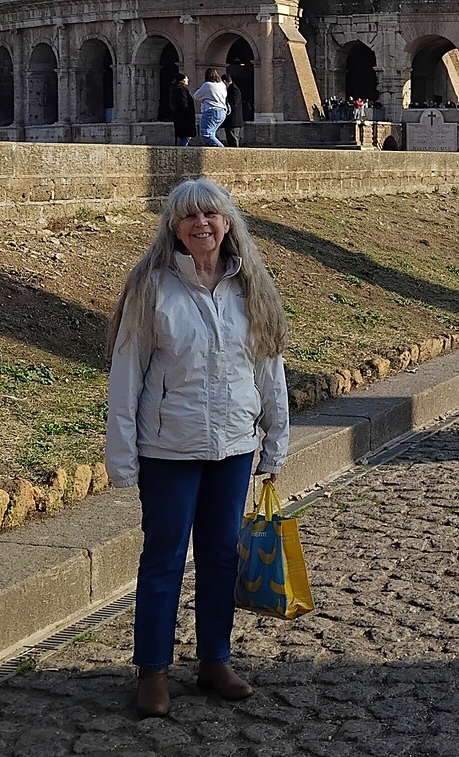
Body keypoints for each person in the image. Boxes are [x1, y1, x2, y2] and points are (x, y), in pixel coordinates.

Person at [105, 177, 290, 718]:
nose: (200, 224)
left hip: (233, 446)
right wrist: (123, 456)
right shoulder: (153, 288)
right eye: (188, 217)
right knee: (163, 559)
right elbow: (127, 373)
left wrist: (275, 440)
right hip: (169, 448)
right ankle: (153, 671)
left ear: (228, 223)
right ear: (174, 229)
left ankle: (214, 659)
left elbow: (268, 368)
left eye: (210, 214)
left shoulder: (250, 287)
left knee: (219, 556)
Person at [192, 69, 228, 147]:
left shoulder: (207, 85)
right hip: (222, 111)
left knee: (206, 134)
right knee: (212, 133)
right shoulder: (222, 85)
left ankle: (222, 150)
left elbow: (196, 96)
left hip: (211, 110)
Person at [168, 73, 196, 147]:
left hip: (180, 115)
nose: (188, 80)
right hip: (184, 116)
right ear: (181, 80)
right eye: (186, 78)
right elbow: (183, 103)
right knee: (185, 136)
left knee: (184, 136)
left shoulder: (175, 88)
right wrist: (189, 113)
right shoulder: (180, 89)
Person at [221, 73, 245, 148]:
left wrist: (225, 107)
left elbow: (233, 103)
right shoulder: (230, 89)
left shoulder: (234, 90)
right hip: (230, 120)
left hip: (234, 120)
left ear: (224, 81)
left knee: (233, 139)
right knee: (230, 139)